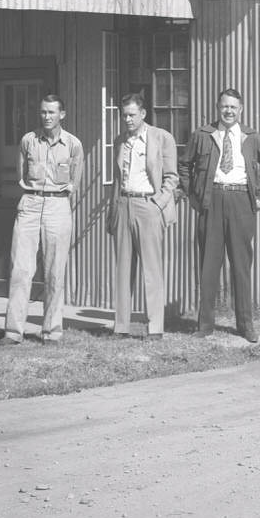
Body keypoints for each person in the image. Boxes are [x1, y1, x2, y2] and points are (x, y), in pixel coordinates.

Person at [181, 88, 260, 341]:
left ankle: (246, 325)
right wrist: (193, 196)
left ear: (240, 110)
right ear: (217, 107)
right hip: (211, 200)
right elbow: (184, 165)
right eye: (225, 106)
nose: (229, 111)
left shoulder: (251, 137)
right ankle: (205, 325)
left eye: (233, 107)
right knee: (209, 265)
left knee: (241, 266)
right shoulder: (203, 135)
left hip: (241, 200)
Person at [1, 94, 84, 346]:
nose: (47, 117)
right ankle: (13, 332)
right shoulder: (28, 140)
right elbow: (21, 171)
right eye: (43, 112)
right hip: (30, 203)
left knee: (54, 271)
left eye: (51, 112)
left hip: (58, 205)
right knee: (20, 270)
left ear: (62, 114)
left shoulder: (73, 145)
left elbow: (75, 180)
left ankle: (52, 331)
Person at [106, 93, 178, 340]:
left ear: (143, 114)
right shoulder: (119, 141)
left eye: (132, 115)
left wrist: (158, 203)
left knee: (152, 269)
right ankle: (121, 326)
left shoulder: (161, 137)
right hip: (124, 203)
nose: (127, 119)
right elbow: (117, 179)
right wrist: (113, 211)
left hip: (148, 205)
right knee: (123, 269)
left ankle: (155, 327)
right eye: (124, 115)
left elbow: (172, 176)